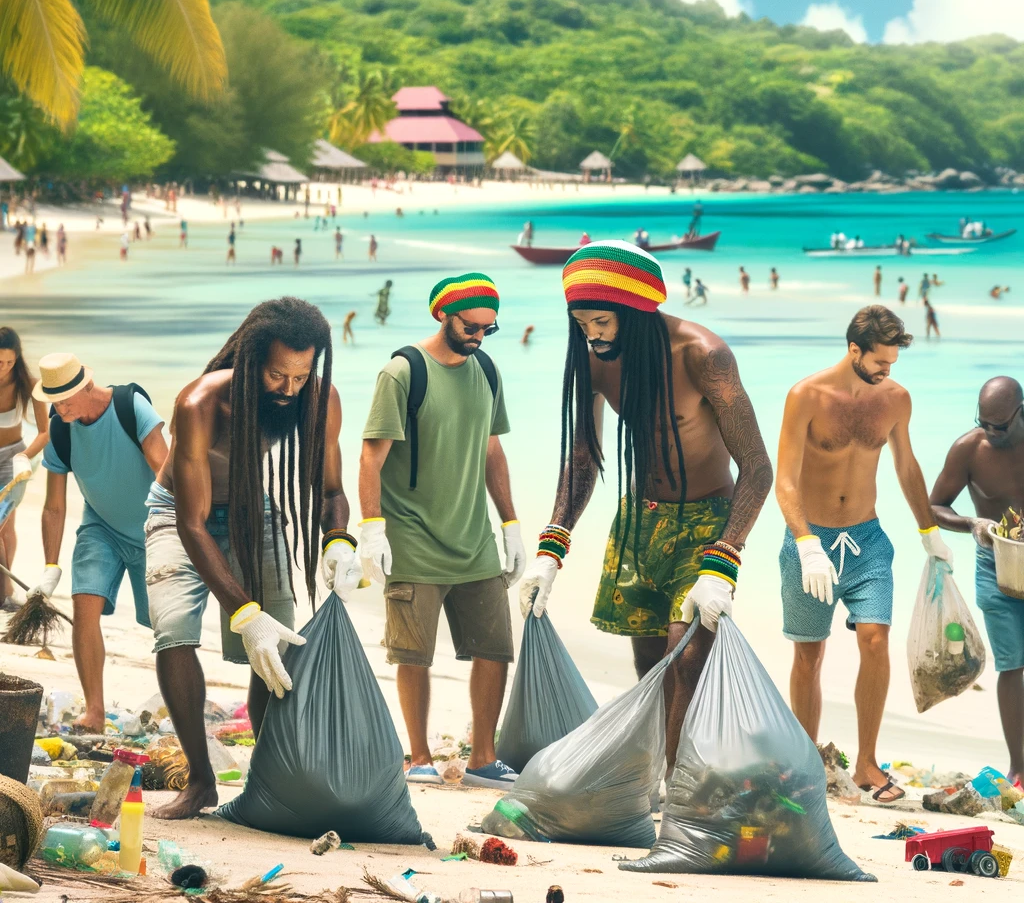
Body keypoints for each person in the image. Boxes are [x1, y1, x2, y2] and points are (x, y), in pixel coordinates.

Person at [518, 242, 772, 767]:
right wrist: (552, 548)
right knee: (650, 665)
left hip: (707, 523)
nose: (592, 334)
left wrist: (725, 559)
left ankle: (677, 792)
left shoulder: (703, 355)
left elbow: (757, 467)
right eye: (582, 323)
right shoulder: (595, 362)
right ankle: (659, 774)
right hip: (640, 523)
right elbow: (583, 457)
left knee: (687, 657)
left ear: (635, 310)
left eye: (603, 321)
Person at [145, 298, 355, 818]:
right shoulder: (200, 404)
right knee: (174, 632)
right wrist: (244, 612)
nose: (288, 390)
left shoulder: (319, 400)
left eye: (301, 377)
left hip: (250, 508)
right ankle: (200, 780)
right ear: (248, 361)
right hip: (177, 514)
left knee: (276, 650)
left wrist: (339, 541)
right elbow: (193, 525)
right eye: (276, 375)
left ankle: (269, 779)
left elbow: (331, 490)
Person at [775, 305, 951, 803]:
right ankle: (807, 760)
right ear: (854, 349)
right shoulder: (805, 396)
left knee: (875, 639)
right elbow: (783, 479)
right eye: (880, 362)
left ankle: (868, 764)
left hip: (868, 541)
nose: (887, 372)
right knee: (809, 654)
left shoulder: (895, 399)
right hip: (811, 541)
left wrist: (929, 532)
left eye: (893, 364)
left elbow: (907, 466)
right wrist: (806, 543)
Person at [359, 273, 525, 789]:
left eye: (487, 329)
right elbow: (371, 454)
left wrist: (512, 524)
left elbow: (491, 449)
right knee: (414, 653)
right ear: (443, 315)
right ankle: (419, 756)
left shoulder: (487, 370)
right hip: (411, 537)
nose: (478, 336)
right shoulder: (403, 373)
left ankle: (483, 758)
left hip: (473, 538)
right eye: (470, 326)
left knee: (495, 647)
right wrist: (371, 529)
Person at [31, 353, 168, 731]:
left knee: (166, 626)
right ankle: (94, 712)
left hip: (152, 530)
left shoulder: (130, 406)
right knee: (84, 606)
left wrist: (176, 529)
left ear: (87, 386)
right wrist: (50, 566)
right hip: (101, 528)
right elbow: (54, 507)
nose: (59, 408)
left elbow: (165, 469)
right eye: (53, 401)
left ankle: (175, 703)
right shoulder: (59, 432)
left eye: (66, 399)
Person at [930, 377, 1024, 780]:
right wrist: (971, 523)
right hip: (994, 565)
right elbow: (934, 505)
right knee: (1013, 664)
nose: (990, 432)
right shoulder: (969, 450)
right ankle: (1020, 767)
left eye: (1000, 426)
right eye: (983, 422)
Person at [0, 329, 49, 606]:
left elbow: (45, 433)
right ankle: (5, 592)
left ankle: (4, 592)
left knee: (4, 526)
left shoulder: (28, 385)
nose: (5, 369)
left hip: (12, 460)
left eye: (10, 362)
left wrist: (24, 457)